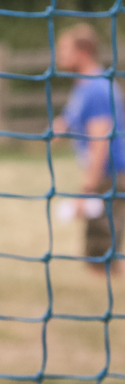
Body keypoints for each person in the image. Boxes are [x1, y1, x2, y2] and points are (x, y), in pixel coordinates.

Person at [54, 23, 124, 278]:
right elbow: (73, 118)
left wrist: (88, 187)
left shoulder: (96, 88)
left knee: (101, 244)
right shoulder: (84, 86)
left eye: (64, 49)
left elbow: (100, 140)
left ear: (82, 52)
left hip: (110, 172)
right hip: (105, 173)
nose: (59, 55)